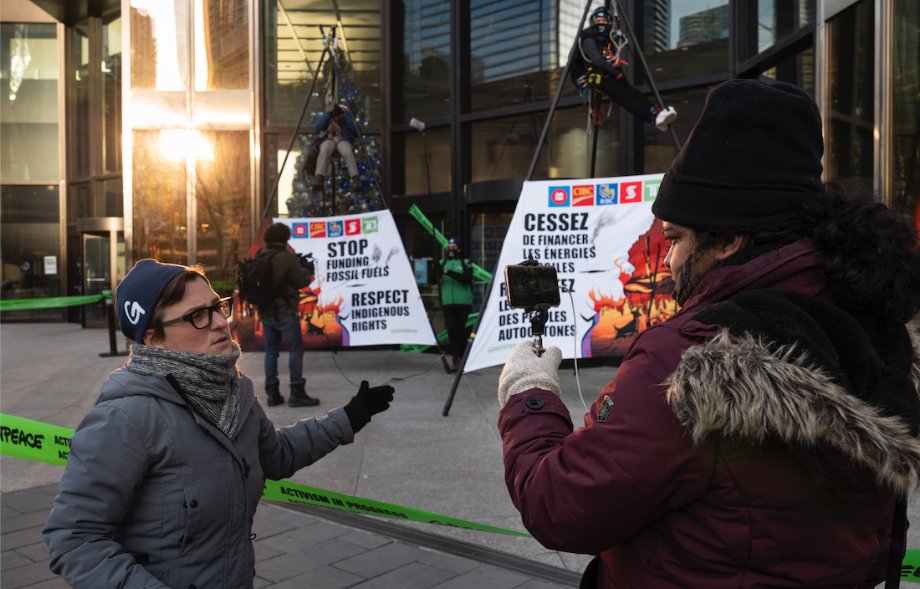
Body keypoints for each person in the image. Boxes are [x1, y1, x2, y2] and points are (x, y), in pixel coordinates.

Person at [496, 79, 920, 587]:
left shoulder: (687, 362)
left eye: (675, 239)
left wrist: (528, 394)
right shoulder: (872, 324)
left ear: (729, 241)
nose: (669, 259)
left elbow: (559, 505)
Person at [43, 259, 394, 589]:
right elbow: (75, 539)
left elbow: (277, 455)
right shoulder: (126, 418)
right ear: (152, 338)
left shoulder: (235, 392)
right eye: (197, 316)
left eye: (217, 307)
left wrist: (347, 418)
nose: (219, 322)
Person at [572, 6, 676, 131]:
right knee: (626, 98)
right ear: (593, 22)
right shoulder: (588, 38)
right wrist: (615, 73)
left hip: (606, 73)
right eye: (598, 21)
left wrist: (615, 67)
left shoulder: (606, 41)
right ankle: (652, 118)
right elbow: (597, 60)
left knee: (633, 93)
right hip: (599, 76)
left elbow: (604, 59)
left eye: (604, 21)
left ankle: (656, 112)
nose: (601, 24)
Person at [256, 222, 318, 407]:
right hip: (286, 312)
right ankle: (297, 393)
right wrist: (307, 270)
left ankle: (272, 393)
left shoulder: (260, 256)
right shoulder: (287, 258)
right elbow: (300, 281)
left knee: (271, 352)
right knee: (295, 350)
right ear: (284, 238)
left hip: (265, 312)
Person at [438, 237, 473, 371]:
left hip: (463, 302)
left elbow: (466, 279)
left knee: (462, 332)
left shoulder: (466, 262)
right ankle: (456, 359)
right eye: (449, 247)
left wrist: (447, 272)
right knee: (452, 332)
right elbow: (434, 279)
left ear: (459, 248)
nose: (451, 250)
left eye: (453, 247)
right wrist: (436, 269)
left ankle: (465, 358)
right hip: (448, 303)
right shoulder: (443, 262)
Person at [311, 100, 360, 190]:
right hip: (329, 139)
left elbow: (354, 131)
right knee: (325, 149)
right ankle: (319, 177)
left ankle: (354, 177)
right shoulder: (328, 117)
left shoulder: (346, 118)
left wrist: (345, 115)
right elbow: (318, 128)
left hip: (342, 139)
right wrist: (328, 114)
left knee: (347, 151)